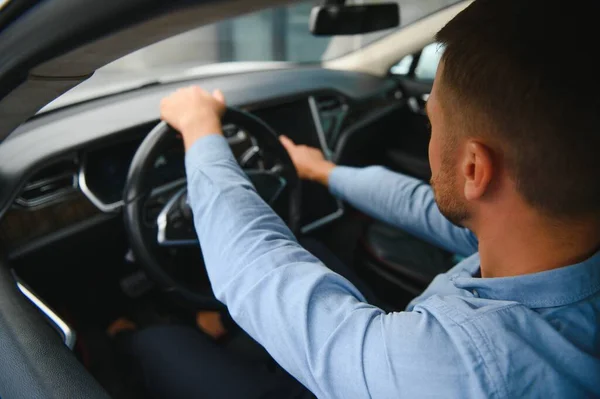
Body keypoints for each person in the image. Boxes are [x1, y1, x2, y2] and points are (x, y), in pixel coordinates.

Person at [125, 0, 600, 397]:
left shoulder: (466, 368)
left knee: (158, 342)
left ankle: (120, 340)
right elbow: (422, 207)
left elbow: (257, 275)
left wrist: (201, 131)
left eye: (432, 121)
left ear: (474, 169)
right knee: (309, 251)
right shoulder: (554, 246)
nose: (430, 137)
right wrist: (323, 170)